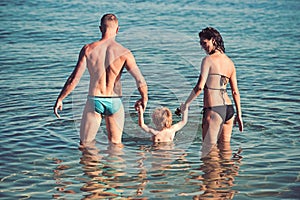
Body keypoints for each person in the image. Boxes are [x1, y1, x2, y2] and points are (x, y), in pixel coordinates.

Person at [53, 13, 148, 146]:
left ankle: (92, 166)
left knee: (86, 145)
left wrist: (61, 98)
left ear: (100, 28)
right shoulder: (124, 53)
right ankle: (115, 166)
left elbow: (74, 79)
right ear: (117, 29)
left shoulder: (88, 49)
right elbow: (140, 79)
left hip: (95, 100)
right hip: (115, 100)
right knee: (116, 146)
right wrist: (144, 98)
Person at [180, 27, 243, 156]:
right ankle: (229, 176)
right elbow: (235, 92)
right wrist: (239, 115)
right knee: (225, 151)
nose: (202, 47)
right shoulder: (230, 63)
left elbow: (199, 87)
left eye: (204, 43)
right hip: (229, 110)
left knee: (209, 153)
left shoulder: (208, 60)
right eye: (200, 43)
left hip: (214, 110)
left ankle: (211, 176)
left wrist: (186, 104)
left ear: (213, 40)